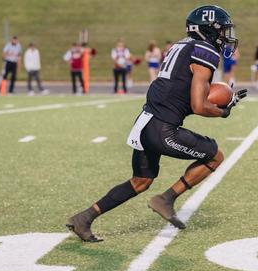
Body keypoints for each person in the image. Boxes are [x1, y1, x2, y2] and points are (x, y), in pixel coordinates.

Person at [66, 5, 247, 242]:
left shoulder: (181, 45)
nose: (225, 37)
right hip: (162, 127)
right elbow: (198, 106)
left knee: (141, 181)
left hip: (145, 122)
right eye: (222, 31)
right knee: (215, 156)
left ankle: (84, 218)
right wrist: (223, 110)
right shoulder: (205, 50)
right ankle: (167, 199)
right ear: (208, 30)